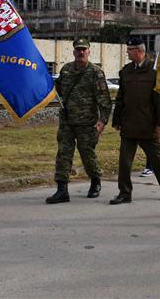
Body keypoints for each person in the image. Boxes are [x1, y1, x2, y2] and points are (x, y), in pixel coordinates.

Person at [46, 38, 112, 204]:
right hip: (67, 121)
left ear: (89, 52)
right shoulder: (66, 70)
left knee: (87, 153)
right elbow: (58, 89)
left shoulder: (95, 72)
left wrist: (102, 121)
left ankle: (95, 182)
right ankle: (62, 190)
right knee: (63, 154)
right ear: (74, 52)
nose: (81, 52)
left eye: (84, 50)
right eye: (78, 50)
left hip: (87, 123)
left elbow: (104, 99)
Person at [110, 37, 160, 204]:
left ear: (139, 51)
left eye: (130, 50)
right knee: (124, 162)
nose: (127, 52)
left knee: (156, 159)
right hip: (129, 124)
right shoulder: (126, 71)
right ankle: (124, 193)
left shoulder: (155, 72)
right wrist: (116, 119)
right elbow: (121, 98)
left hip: (148, 125)